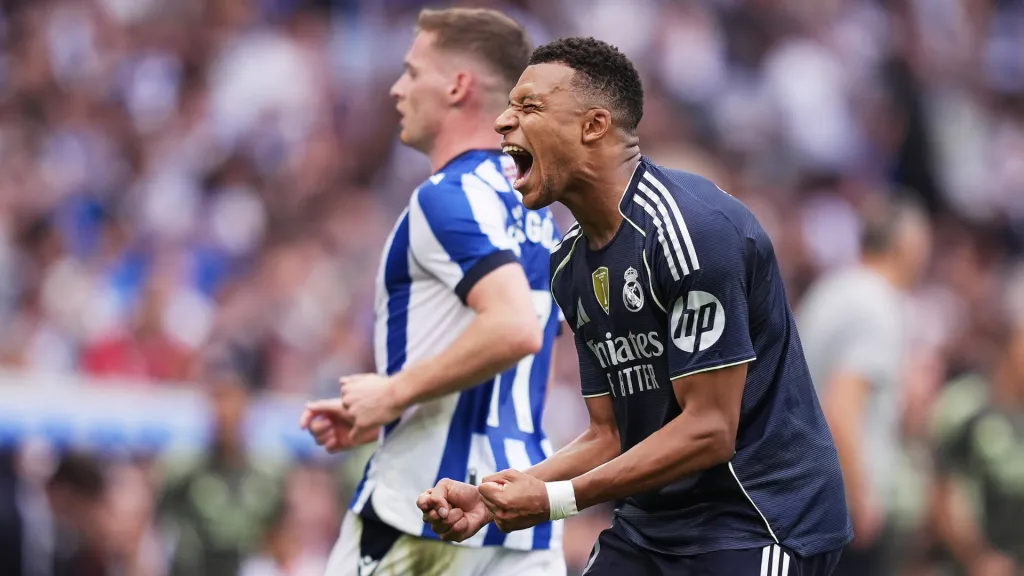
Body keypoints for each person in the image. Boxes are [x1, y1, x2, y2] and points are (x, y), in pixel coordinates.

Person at [418, 36, 853, 575]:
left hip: (756, 518)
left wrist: (556, 500)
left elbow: (710, 429)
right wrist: (497, 497)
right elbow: (611, 433)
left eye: (528, 106)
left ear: (594, 125)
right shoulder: (570, 265)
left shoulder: (691, 232)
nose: (503, 121)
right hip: (654, 524)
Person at [299, 8, 566, 576]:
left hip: (427, 507)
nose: (398, 88)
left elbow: (514, 326)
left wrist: (395, 394)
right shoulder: (539, 208)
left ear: (456, 85)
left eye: (412, 70)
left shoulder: (447, 197)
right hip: (521, 513)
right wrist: (395, 407)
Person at [797, 195, 932, 576]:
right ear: (908, 246)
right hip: (839, 503)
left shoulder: (833, 288)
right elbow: (842, 408)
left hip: (808, 492)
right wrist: (861, 495)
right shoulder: (876, 303)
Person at [931, 321, 1024, 576]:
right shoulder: (966, 405)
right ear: (1008, 346)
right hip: (973, 562)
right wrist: (977, 557)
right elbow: (941, 487)